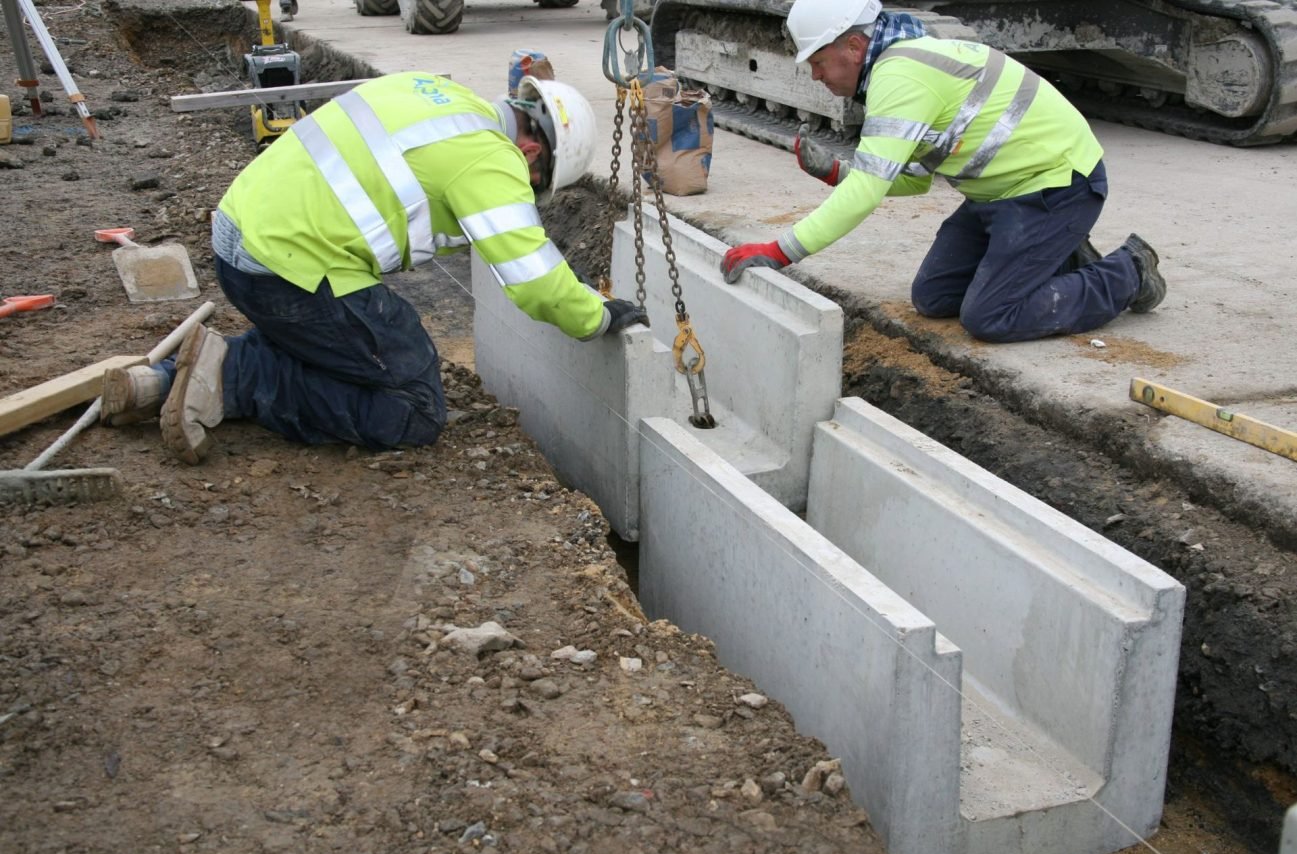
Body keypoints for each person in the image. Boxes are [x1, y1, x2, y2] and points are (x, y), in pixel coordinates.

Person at [100, 71, 648, 464]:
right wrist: (596, 317)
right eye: (535, 187)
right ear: (532, 154)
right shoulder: (491, 156)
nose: (526, 191)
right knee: (412, 408)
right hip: (290, 270)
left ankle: (159, 383)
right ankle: (235, 378)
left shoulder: (434, 91)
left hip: (238, 241)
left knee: (351, 346)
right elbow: (534, 281)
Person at [720, 0, 1166, 343]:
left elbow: (867, 194)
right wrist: (839, 171)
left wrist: (782, 250)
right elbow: (915, 179)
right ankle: (1061, 253)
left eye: (817, 62)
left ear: (854, 47)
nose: (816, 76)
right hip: (999, 198)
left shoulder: (901, 76)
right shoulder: (896, 71)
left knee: (989, 317)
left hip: (1058, 187)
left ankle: (1129, 271)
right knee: (934, 298)